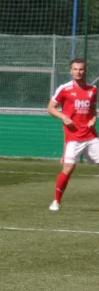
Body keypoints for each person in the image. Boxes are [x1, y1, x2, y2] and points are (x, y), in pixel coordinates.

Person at [47, 58, 98, 211]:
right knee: (68, 168)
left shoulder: (92, 89)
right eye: (75, 69)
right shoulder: (64, 89)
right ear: (71, 71)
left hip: (91, 136)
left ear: (85, 70)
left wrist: (94, 119)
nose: (78, 72)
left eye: (81, 69)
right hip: (73, 137)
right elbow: (50, 108)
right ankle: (56, 201)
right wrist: (63, 117)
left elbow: (93, 110)